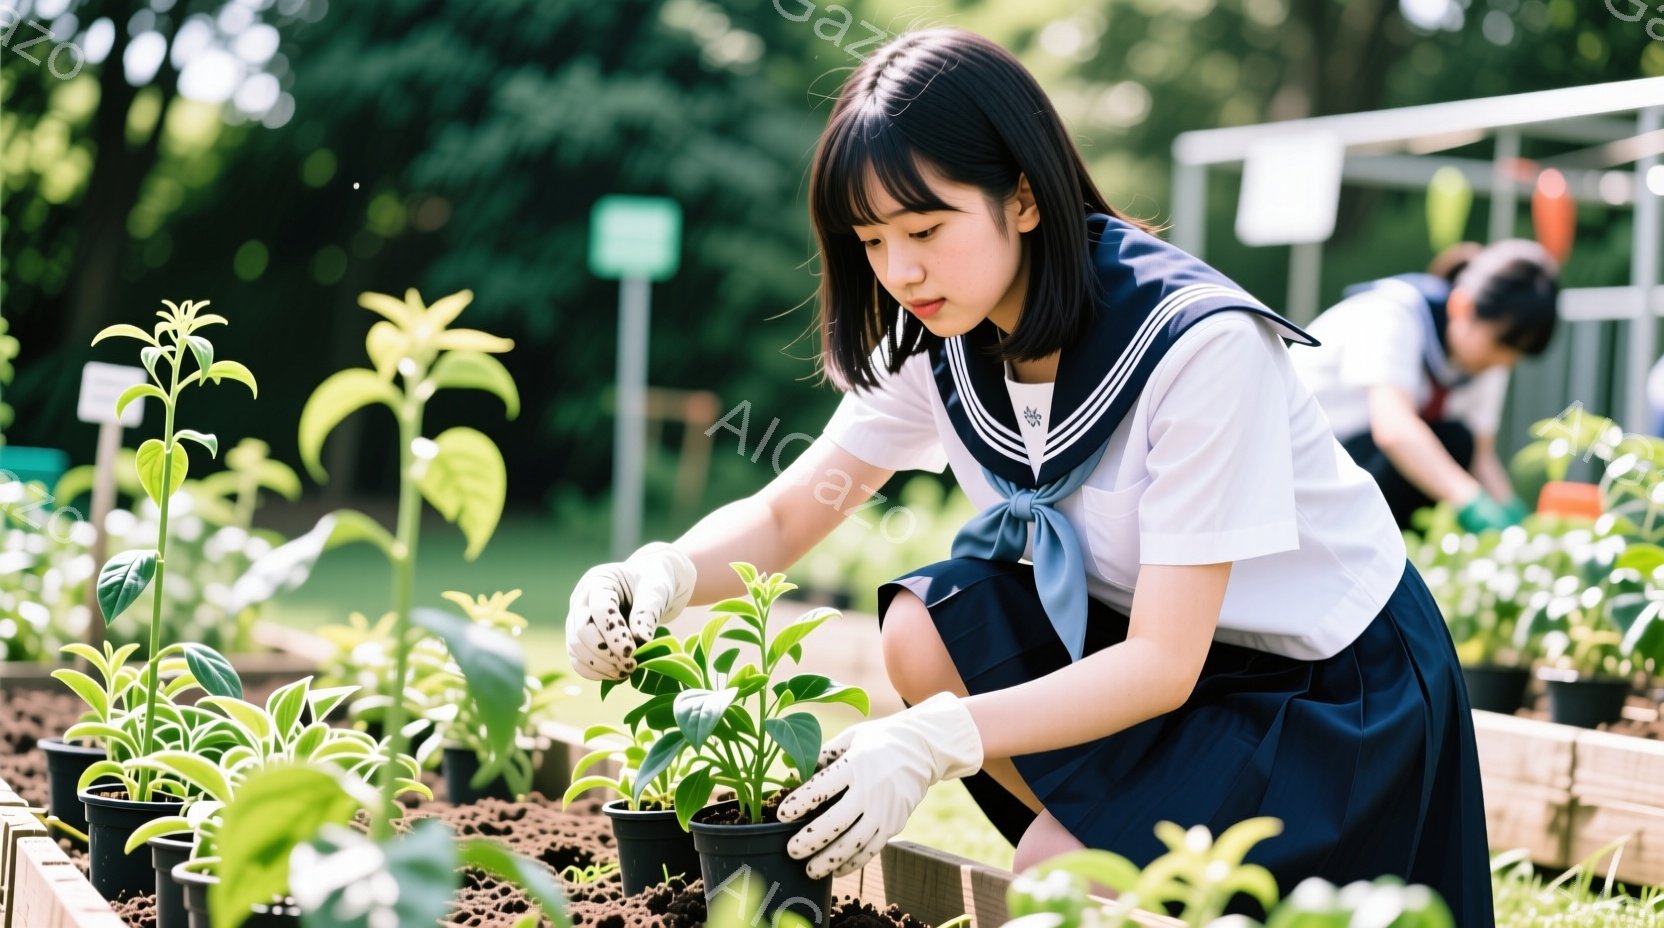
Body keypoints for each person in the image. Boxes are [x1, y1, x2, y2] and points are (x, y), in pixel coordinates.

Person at [565, 28, 1493, 925]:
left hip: (1330, 685)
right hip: (1164, 655)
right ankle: (1121, 843)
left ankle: (1122, 861)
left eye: (926, 226)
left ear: (1023, 196)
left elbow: (1164, 664)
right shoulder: (943, 336)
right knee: (929, 626)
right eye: (871, 241)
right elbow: (786, 516)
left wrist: (934, 741)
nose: (901, 269)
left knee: (1057, 877)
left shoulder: (1199, 345)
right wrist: (660, 574)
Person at [1289, 241, 1559, 532]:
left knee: (1458, 441)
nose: (1505, 362)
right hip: (1301, 468)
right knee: (1437, 450)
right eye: (1502, 344)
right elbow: (1394, 429)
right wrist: (1470, 501)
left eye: (1517, 354)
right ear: (1463, 306)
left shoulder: (1486, 362)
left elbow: (1479, 455)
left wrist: (1515, 519)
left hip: (1356, 464)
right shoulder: (1393, 314)